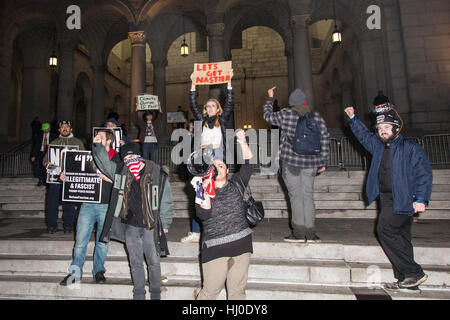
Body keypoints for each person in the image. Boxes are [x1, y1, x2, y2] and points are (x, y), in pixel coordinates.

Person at [344, 105, 432, 292]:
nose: (383, 131)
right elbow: (364, 136)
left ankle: (413, 272)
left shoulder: (410, 147)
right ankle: (406, 280)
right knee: (401, 236)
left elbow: (423, 173)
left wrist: (421, 198)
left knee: (385, 229)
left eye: (387, 127)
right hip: (385, 198)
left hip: (404, 198)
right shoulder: (378, 145)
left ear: (396, 127)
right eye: (380, 129)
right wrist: (353, 119)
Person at [92, 141, 175, 300]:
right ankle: (139, 295)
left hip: (150, 224)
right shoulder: (122, 172)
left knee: (153, 261)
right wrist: (98, 146)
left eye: (133, 156)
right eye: (126, 158)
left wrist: (165, 223)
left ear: (139, 155)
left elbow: (166, 199)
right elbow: (104, 163)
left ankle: (155, 294)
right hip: (131, 226)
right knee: (135, 262)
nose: (130, 160)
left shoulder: (156, 171)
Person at [263, 87, 330, 243]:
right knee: (308, 195)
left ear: (292, 103)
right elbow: (325, 138)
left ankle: (299, 233)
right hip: (311, 163)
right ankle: (311, 233)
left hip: (291, 162)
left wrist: (270, 99)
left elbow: (267, 116)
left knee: (295, 197)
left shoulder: (286, 114)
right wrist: (324, 161)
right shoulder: (316, 116)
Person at [194, 129, 254, 300]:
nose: (217, 168)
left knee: (237, 293)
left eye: (221, 165)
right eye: (213, 166)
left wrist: (242, 141)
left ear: (227, 170)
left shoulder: (236, 184)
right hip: (215, 248)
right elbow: (203, 215)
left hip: (241, 245)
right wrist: (204, 191)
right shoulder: (201, 189)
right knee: (210, 292)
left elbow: (249, 165)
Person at [59, 129, 121, 286]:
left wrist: (111, 179)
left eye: (99, 137)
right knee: (80, 241)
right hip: (87, 204)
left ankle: (99, 271)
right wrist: (66, 176)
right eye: (95, 136)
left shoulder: (117, 158)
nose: (95, 138)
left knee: (102, 242)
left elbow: (124, 181)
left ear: (108, 141)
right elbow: (76, 175)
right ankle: (75, 273)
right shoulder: (86, 156)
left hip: (106, 204)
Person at [43, 121, 85, 234]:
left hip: (70, 178)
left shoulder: (78, 143)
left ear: (71, 129)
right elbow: (45, 160)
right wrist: (47, 163)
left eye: (67, 127)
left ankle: (68, 225)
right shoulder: (54, 142)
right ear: (59, 130)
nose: (65, 129)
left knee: (70, 203)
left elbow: (83, 159)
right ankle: (52, 225)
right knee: (52, 202)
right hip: (55, 179)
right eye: (62, 127)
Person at [189, 69, 234, 160]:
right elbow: (193, 105)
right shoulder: (202, 120)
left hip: (217, 152)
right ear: (205, 109)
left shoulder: (222, 120)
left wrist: (229, 83)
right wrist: (193, 85)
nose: (210, 108)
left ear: (218, 109)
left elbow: (229, 104)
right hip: (203, 153)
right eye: (208, 106)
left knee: (217, 174)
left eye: (213, 106)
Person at [180, 119, 202, 243]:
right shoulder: (188, 139)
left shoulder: (203, 139)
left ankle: (202, 231)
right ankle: (196, 232)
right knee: (195, 203)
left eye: (193, 127)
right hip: (193, 174)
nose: (191, 129)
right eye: (190, 127)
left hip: (203, 173)